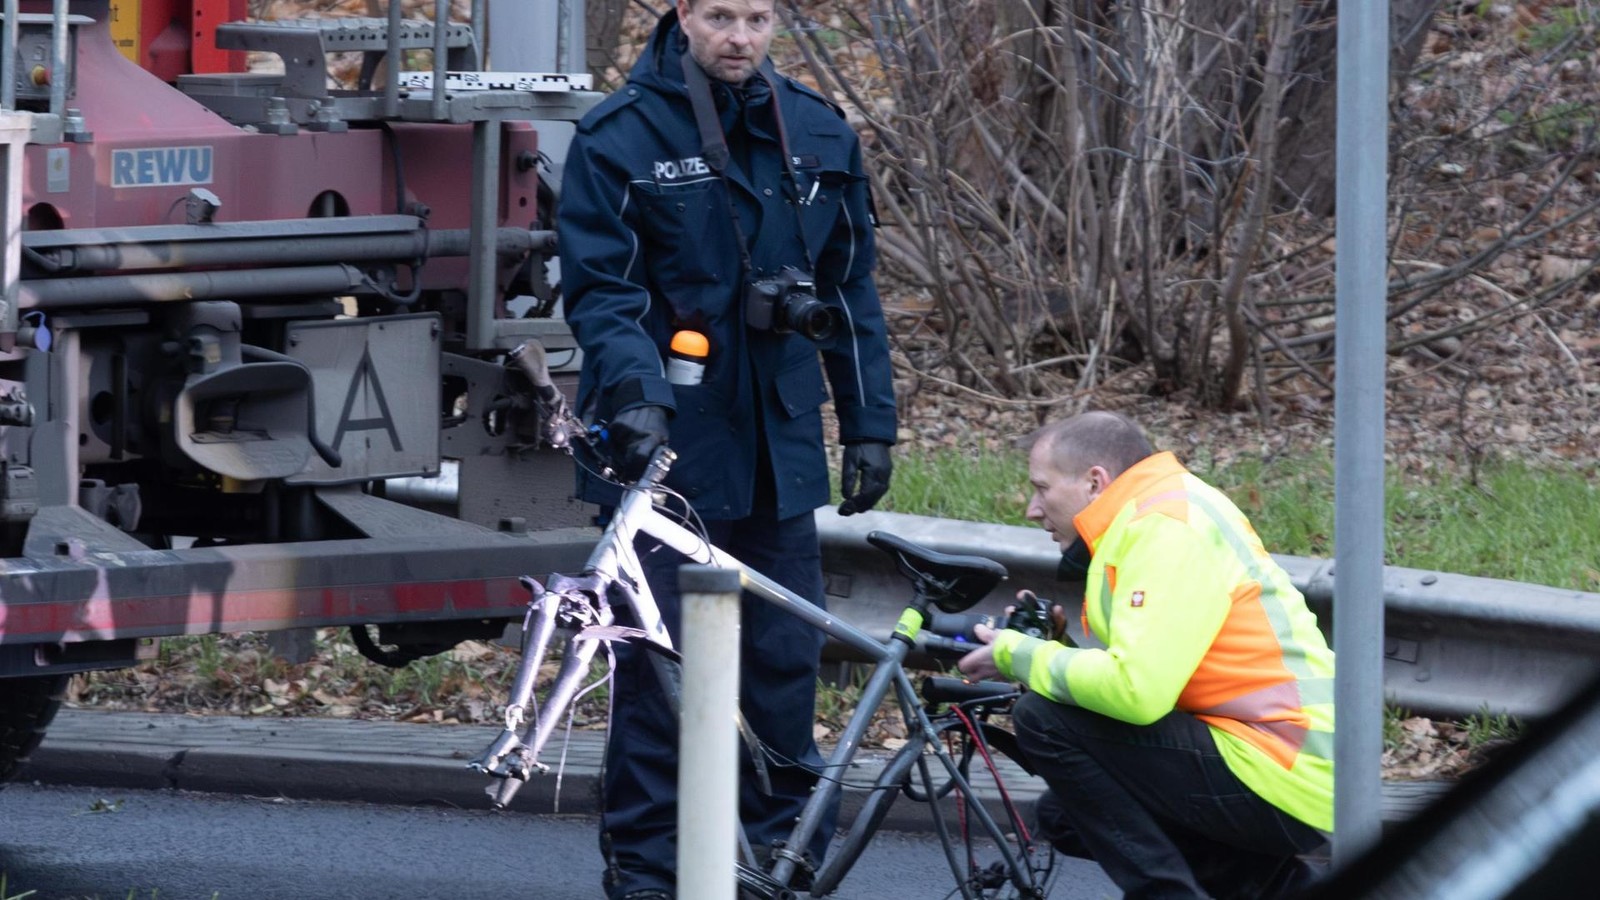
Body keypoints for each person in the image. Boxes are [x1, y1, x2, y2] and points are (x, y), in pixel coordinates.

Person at [556, 1, 898, 897]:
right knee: (660, 678)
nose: (738, 37)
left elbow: (849, 288)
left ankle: (778, 862)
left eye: (755, 16)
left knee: (783, 666)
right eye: (718, 15)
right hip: (663, 447)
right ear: (683, 13)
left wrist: (868, 423)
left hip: (779, 447)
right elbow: (602, 292)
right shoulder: (619, 137)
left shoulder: (818, 131)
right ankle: (647, 870)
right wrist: (635, 393)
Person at [959, 411, 1334, 899]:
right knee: (1063, 817)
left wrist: (1021, 655)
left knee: (1042, 720)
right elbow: (1151, 677)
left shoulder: (1163, 528)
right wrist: (1054, 650)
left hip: (1277, 765)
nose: (1032, 508)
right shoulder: (1160, 511)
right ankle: (1274, 885)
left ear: (1095, 481)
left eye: (1042, 488)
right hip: (1283, 761)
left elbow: (1137, 693)